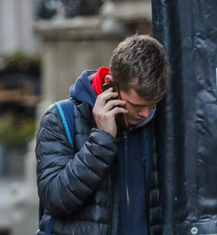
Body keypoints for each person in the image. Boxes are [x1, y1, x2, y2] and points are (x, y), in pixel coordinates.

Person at [36, 34, 172, 234]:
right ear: (110, 84)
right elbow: (55, 199)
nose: (145, 114)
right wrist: (101, 139)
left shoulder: (157, 120)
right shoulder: (60, 117)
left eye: (152, 106)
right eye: (137, 105)